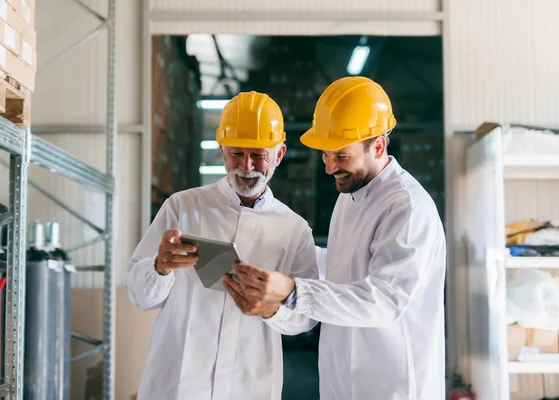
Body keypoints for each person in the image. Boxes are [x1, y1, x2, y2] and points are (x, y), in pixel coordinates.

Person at [223, 77, 447, 400]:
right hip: (343, 384)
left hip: (393, 387)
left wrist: (292, 290)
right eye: (325, 155)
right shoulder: (350, 195)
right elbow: (342, 266)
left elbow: (383, 300)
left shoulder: (407, 209)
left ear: (379, 146)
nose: (330, 168)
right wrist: (282, 250)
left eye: (341, 156)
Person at [127, 91, 318, 400]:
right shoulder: (183, 207)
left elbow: (306, 316)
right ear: (222, 149)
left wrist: (270, 308)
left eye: (258, 155)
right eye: (236, 153)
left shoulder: (294, 229)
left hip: (249, 384)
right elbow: (140, 296)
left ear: (279, 154)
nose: (246, 165)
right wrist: (159, 267)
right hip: (179, 382)